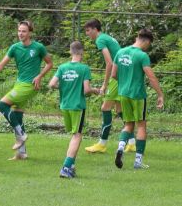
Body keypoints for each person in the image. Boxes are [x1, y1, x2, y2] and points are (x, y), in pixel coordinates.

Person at [0, 20, 53, 160]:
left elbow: (50, 63)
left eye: (24, 31)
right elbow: (1, 64)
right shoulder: (14, 48)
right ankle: (22, 153)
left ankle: (21, 135)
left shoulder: (38, 47)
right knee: (17, 116)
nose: (21, 33)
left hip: (30, 85)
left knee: (2, 104)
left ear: (30, 32)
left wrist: (40, 76)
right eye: (19, 31)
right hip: (19, 84)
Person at [114, 28, 166, 170]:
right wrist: (160, 95)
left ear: (137, 37)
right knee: (141, 125)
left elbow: (113, 74)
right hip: (137, 94)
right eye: (149, 45)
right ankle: (138, 162)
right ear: (147, 41)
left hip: (123, 93)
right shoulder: (142, 56)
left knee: (128, 124)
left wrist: (125, 82)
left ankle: (120, 148)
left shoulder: (120, 52)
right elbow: (151, 77)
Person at [81, 19, 131, 155]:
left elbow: (109, 63)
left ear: (95, 29)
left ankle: (102, 144)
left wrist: (104, 84)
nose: (87, 34)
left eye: (88, 30)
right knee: (119, 109)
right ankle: (132, 143)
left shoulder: (100, 40)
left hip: (117, 75)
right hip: (123, 73)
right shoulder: (107, 37)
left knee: (105, 108)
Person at [48, 41, 94, 179]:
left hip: (65, 105)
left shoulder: (62, 67)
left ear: (70, 51)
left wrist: (63, 86)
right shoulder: (84, 68)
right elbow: (86, 91)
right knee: (77, 136)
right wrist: (95, 91)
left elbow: (52, 84)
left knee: (73, 135)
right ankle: (66, 167)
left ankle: (71, 166)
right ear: (82, 52)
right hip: (77, 106)